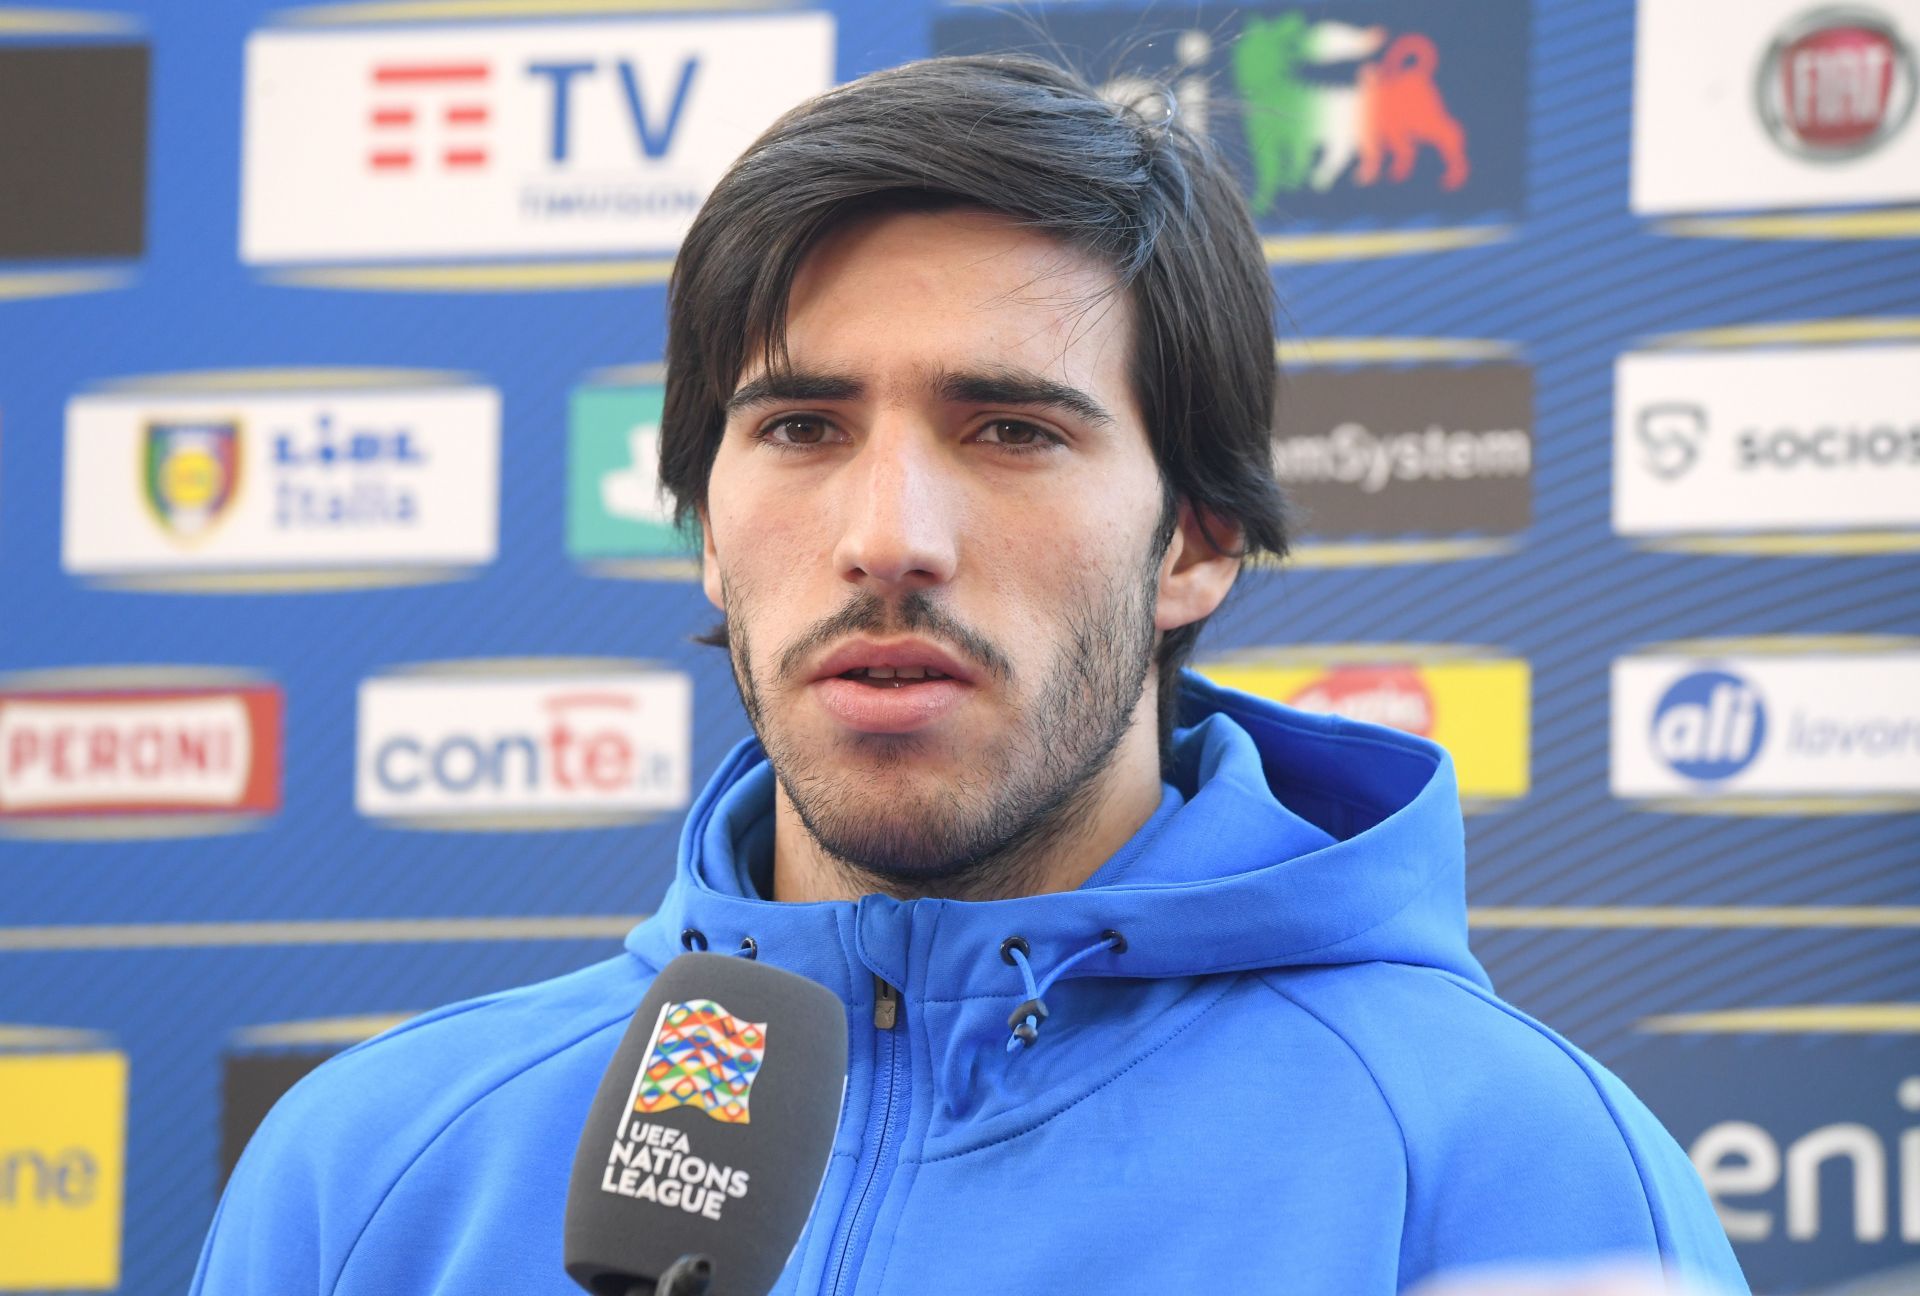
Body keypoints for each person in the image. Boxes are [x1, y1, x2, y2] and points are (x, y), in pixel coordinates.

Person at [192, 56, 1749, 1295]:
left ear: (1195, 545)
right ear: (709, 538)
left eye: (1011, 431)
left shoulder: (1511, 1163)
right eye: (800, 428)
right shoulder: (373, 1163)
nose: (888, 537)